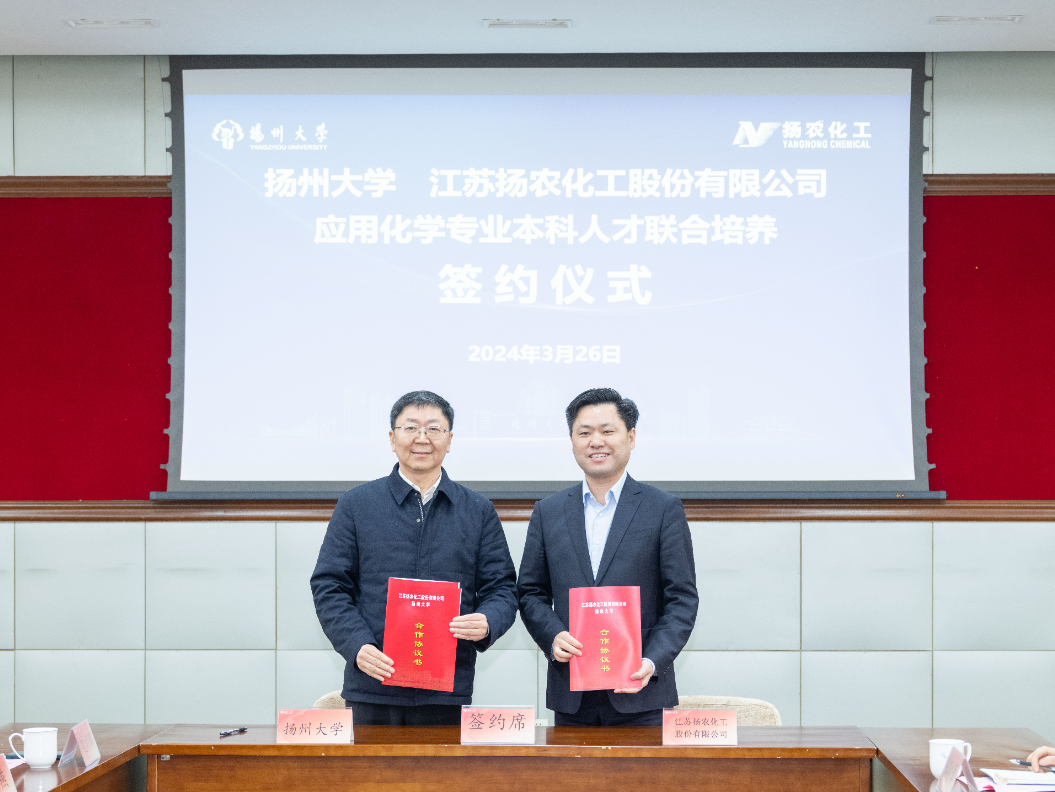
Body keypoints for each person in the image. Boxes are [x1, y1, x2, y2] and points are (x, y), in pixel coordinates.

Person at [311, 390, 518, 725]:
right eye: (410, 428)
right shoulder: (357, 504)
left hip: (446, 689)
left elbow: (503, 588)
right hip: (373, 684)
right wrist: (357, 645)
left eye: (434, 429)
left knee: (440, 763)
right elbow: (329, 586)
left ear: (449, 440)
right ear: (392, 438)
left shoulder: (477, 510)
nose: (422, 438)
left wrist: (488, 620)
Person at [517, 387, 699, 726]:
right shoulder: (548, 512)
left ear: (631, 437)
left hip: (641, 692)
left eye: (607, 431)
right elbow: (530, 592)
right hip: (572, 695)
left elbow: (682, 599)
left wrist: (652, 660)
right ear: (572, 441)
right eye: (584, 433)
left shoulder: (662, 509)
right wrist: (552, 635)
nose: (596, 441)